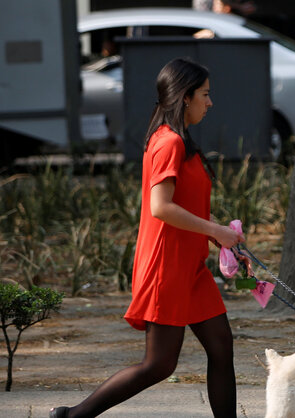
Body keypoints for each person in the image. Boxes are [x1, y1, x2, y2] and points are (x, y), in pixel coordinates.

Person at [51, 58, 243, 418]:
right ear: (185, 97)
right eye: (205, 94)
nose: (210, 102)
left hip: (190, 268)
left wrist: (221, 236)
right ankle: (72, 416)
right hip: (166, 268)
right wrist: (215, 231)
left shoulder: (179, 140)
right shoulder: (168, 142)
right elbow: (161, 207)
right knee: (158, 365)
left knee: (221, 347)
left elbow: (185, 206)